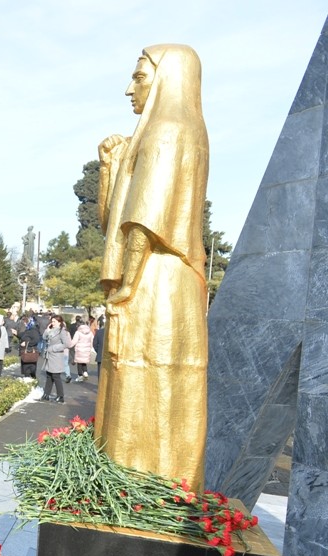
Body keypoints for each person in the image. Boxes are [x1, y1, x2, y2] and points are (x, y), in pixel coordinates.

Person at [96, 45, 209, 488]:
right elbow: (116, 225)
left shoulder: (170, 130)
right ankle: (138, 483)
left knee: (150, 378)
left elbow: (143, 220)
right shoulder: (170, 132)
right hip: (154, 278)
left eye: (139, 77)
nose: (130, 88)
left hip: (156, 282)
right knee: (135, 378)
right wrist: (110, 168)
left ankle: (142, 485)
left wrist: (126, 285)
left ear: (167, 80)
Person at [39, 315, 71, 403]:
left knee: (56, 376)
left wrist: (54, 348)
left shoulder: (62, 331)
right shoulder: (51, 330)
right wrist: (47, 330)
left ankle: (60, 396)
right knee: (49, 375)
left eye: (54, 322)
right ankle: (46, 394)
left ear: (59, 322)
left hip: (56, 356)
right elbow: (44, 337)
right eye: (52, 321)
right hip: (49, 356)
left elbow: (67, 344)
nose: (52, 323)